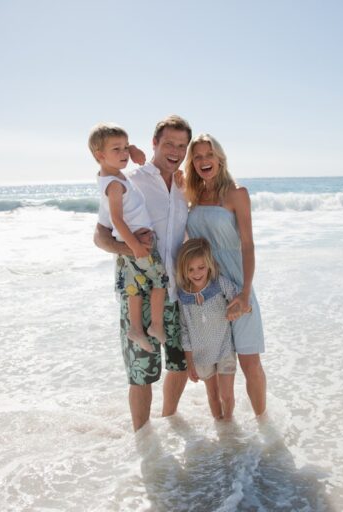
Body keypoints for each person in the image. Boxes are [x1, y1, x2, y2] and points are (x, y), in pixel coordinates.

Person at [93, 115, 193, 431]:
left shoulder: (184, 187)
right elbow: (100, 236)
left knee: (180, 364)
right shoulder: (129, 180)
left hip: (177, 291)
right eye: (169, 144)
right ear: (154, 143)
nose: (175, 151)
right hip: (139, 292)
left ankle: (169, 424)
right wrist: (132, 249)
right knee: (141, 374)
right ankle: (143, 441)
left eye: (182, 146)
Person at [184, 133, 267, 417]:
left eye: (209, 155)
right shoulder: (193, 196)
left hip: (237, 285)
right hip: (207, 290)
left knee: (249, 362)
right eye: (197, 157)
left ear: (220, 158)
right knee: (215, 365)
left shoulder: (236, 193)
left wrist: (244, 293)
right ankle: (225, 431)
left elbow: (248, 244)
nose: (204, 161)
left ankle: (264, 424)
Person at [90, 122, 167, 352]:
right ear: (100, 155)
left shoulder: (111, 174)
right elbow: (116, 219)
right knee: (160, 281)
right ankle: (156, 325)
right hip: (136, 242)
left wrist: (131, 150)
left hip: (132, 241)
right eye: (117, 149)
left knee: (135, 287)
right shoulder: (114, 184)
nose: (124, 153)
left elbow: (121, 152)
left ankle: (135, 329)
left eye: (125, 146)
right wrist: (135, 246)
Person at [176, 238, 241, 421]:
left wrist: (235, 309)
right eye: (190, 269)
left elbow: (239, 298)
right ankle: (219, 425)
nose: (197, 273)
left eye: (201, 267)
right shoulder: (183, 296)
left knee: (226, 395)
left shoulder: (219, 284)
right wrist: (190, 363)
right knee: (212, 395)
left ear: (209, 265)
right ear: (183, 270)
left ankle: (229, 425)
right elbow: (184, 330)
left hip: (224, 348)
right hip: (201, 355)